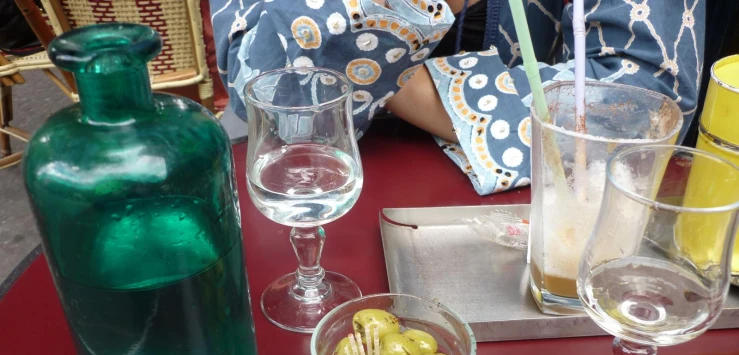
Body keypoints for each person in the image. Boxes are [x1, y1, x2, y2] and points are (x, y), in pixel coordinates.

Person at [210, 0, 705, 195]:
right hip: (309, 182)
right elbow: (268, 92)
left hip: (543, 208)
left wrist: (379, 76)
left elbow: (646, 104)